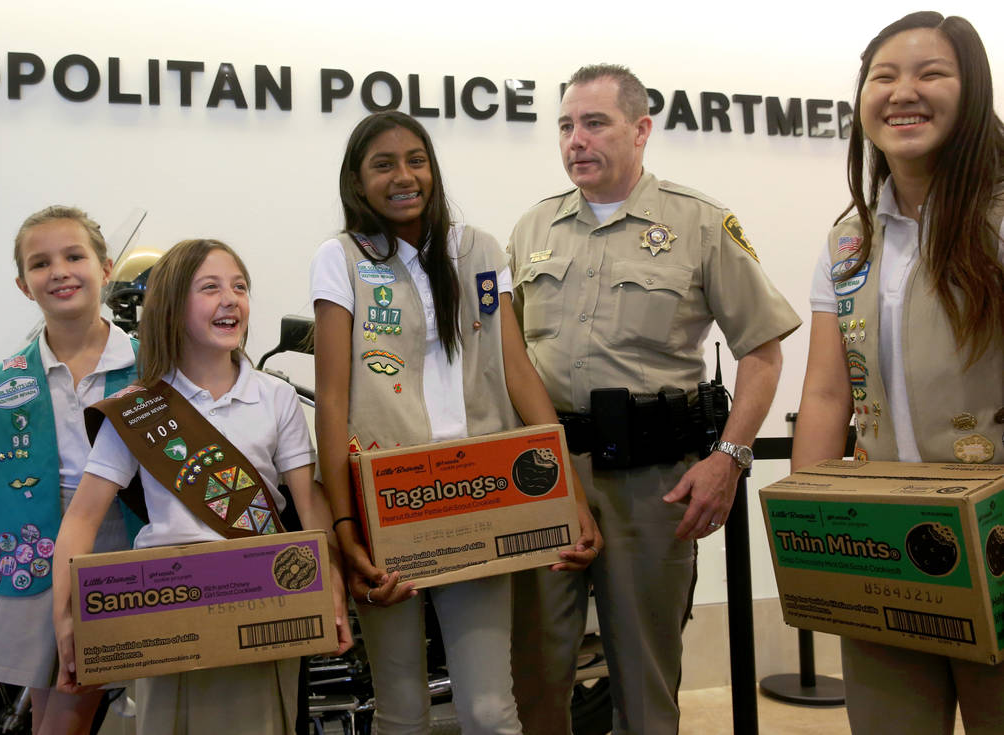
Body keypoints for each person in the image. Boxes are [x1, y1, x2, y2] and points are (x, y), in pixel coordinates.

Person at [508, 64, 801, 733]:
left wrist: (729, 456)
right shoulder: (533, 229)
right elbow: (508, 357)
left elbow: (763, 351)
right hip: (550, 480)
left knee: (644, 683)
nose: (575, 140)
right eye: (565, 126)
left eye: (594, 123)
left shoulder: (699, 224)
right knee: (535, 677)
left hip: (653, 483)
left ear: (641, 130)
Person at [310, 110, 601, 734]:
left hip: (478, 495)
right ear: (358, 182)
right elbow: (332, 399)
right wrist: (343, 527)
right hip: (388, 502)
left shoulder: (480, 251)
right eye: (383, 164)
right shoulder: (341, 259)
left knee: (491, 709)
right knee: (402, 710)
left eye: (416, 160)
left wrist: (567, 492)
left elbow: (517, 371)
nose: (404, 176)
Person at [792, 12, 1004, 735]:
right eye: (883, 76)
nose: (902, 92)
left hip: (998, 537)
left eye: (930, 73)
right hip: (887, 544)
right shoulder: (848, 237)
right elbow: (825, 390)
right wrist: (811, 527)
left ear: (972, 90)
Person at [51, 238, 351, 735]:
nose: (230, 298)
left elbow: (309, 503)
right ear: (172, 306)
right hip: (168, 611)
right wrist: (66, 620)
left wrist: (332, 583)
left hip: (264, 602)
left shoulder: (275, 397)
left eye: (239, 286)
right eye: (209, 288)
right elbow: (81, 519)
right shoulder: (137, 409)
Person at [0, 205, 140, 735]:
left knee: (71, 705)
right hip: (35, 537)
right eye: (41, 263)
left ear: (106, 267)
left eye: (75, 256)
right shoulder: (5, 379)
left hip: (122, 530)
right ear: (25, 285)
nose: (60, 271)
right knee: (46, 700)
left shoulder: (152, 362)